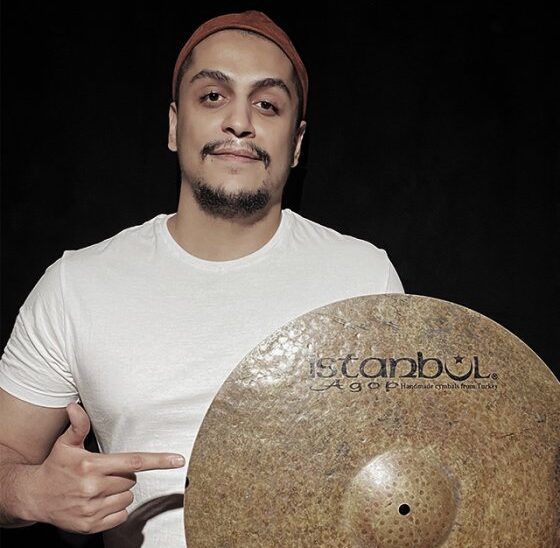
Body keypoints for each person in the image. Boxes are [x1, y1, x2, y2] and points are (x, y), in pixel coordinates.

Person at [0, 10, 403, 548]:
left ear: (297, 143)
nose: (239, 121)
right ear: (174, 125)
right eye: (213, 96)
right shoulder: (77, 286)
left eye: (267, 104)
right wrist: (29, 492)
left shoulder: (363, 277)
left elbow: (419, 469)